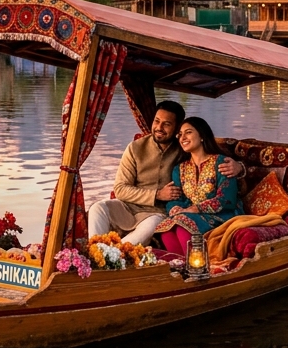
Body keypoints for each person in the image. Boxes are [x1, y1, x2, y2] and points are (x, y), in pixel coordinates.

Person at [88, 101, 244, 246]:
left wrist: (240, 168)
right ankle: (94, 250)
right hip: (127, 207)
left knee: (153, 226)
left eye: (166, 124)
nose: (159, 128)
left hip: (156, 213)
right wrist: (156, 194)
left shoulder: (183, 149)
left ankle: (112, 255)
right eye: (156, 121)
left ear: (176, 128)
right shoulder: (135, 148)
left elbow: (211, 159)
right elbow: (120, 189)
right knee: (97, 208)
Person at [154, 116, 241, 258]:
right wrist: (176, 209)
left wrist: (195, 209)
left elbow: (227, 199)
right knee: (166, 228)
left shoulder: (220, 162)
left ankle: (197, 268)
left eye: (188, 132)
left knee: (182, 223)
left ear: (201, 136)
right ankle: (181, 268)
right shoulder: (180, 169)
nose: (183, 138)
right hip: (190, 214)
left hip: (222, 214)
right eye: (180, 134)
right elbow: (176, 198)